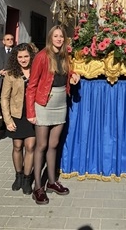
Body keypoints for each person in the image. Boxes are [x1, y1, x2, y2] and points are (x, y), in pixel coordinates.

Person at [26, 25, 80, 205]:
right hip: (43, 102)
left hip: (60, 102)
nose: (58, 39)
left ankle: (51, 182)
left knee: (54, 144)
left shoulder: (65, 56)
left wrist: (73, 76)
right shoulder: (42, 56)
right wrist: (31, 112)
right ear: (51, 38)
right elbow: (32, 85)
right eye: (55, 36)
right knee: (41, 145)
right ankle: (37, 188)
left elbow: (65, 73)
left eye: (61, 36)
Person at [0, 43, 36, 194]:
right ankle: (18, 176)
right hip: (16, 115)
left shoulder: (36, 71)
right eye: (20, 57)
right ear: (16, 58)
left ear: (31, 56)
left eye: (26, 56)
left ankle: (27, 179)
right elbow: (4, 98)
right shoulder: (11, 74)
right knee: (17, 146)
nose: (23, 59)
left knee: (30, 147)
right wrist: (7, 120)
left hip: (33, 115)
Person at [0, 33, 15, 130]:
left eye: (12, 39)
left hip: (13, 81)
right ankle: (4, 122)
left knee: (12, 101)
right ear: (3, 41)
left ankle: (12, 120)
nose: (10, 41)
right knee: (2, 101)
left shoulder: (16, 52)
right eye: (8, 39)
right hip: (0, 81)